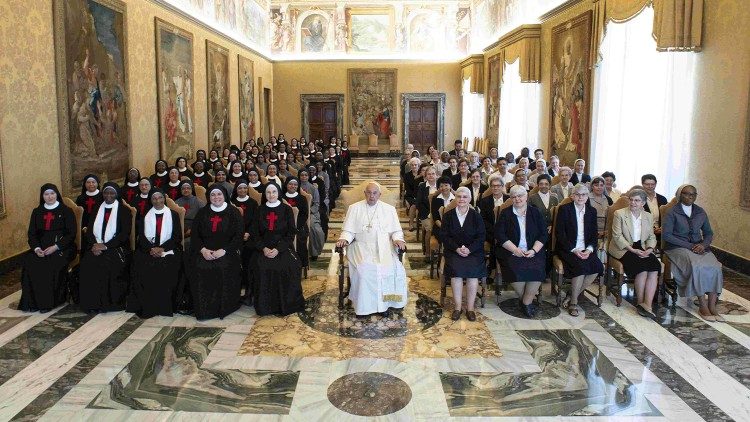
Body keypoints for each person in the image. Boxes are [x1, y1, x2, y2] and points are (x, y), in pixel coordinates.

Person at [335, 182, 407, 316]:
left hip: (385, 248)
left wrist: (398, 239)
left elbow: (396, 231)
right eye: (368, 192)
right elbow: (348, 231)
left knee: (391, 269)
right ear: (365, 194)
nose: (371, 196)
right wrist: (344, 239)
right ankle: (365, 308)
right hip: (361, 247)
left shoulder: (389, 209)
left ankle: (385, 304)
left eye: (374, 193)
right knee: (366, 271)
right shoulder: (354, 208)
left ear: (379, 195)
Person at [663, 184, 724, 322]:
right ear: (680, 195)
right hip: (677, 247)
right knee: (697, 266)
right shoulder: (672, 212)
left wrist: (703, 244)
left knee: (716, 266)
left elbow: (708, 233)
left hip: (700, 247)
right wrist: (690, 246)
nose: (690, 196)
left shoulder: (700, 212)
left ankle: (712, 306)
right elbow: (667, 236)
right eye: (686, 193)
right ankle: (703, 305)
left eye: (693, 194)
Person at [188, 184, 243, 320]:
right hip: (205, 250)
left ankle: (225, 306)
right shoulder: (202, 213)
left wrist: (224, 251)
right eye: (213, 194)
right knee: (200, 267)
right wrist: (203, 250)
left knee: (223, 267)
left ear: (224, 195)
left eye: (219, 194)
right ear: (209, 197)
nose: (216, 197)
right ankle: (204, 308)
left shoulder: (233, 212)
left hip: (227, 251)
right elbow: (195, 236)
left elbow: (238, 236)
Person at [18, 184, 76, 312]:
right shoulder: (37, 211)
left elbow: (71, 234)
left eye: (52, 193)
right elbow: (32, 234)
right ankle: (32, 302)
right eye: (46, 194)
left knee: (50, 264)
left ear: (57, 195)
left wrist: (56, 247)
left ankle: (49, 302)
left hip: (63, 247)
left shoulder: (66, 211)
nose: (49, 197)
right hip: (41, 247)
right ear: (42, 196)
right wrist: (37, 249)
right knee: (30, 262)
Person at [128, 188, 183, 318]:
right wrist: (151, 249)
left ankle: (165, 306)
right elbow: (141, 237)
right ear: (150, 200)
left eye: (160, 198)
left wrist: (162, 248)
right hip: (148, 250)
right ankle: (147, 305)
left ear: (164, 198)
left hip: (169, 249)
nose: (157, 201)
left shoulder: (173, 214)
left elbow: (177, 237)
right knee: (141, 264)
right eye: (154, 198)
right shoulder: (145, 215)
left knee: (167, 266)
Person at [78, 182, 132, 313]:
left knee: (107, 264)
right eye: (106, 193)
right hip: (95, 246)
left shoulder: (124, 210)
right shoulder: (97, 208)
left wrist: (106, 246)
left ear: (117, 194)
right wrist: (94, 245)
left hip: (116, 248)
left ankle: (109, 304)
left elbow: (124, 234)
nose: (108, 195)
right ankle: (91, 303)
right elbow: (89, 230)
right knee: (87, 264)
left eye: (112, 193)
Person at [252, 183, 304, 316]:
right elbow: (255, 234)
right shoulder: (260, 210)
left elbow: (291, 234)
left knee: (287, 267)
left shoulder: (287, 210)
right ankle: (266, 306)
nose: (271, 195)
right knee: (260, 267)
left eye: (274, 192)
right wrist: (263, 248)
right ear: (265, 194)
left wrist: (278, 249)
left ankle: (286, 304)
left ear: (279, 193)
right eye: (268, 192)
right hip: (263, 247)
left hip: (283, 247)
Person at [496, 185, 548, 317]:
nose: (517, 199)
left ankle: (525, 302)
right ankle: (527, 301)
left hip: (533, 251)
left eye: (520, 196)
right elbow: (500, 235)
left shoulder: (535, 212)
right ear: (511, 198)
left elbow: (543, 234)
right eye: (513, 196)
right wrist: (515, 250)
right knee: (515, 269)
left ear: (526, 197)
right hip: (511, 251)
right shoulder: (505, 213)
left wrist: (534, 250)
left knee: (537, 269)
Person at [608, 189, 661, 317]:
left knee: (654, 267)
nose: (633, 203)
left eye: (637, 200)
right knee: (641, 269)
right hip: (624, 247)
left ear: (643, 203)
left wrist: (649, 249)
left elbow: (651, 236)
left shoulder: (647, 215)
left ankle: (647, 305)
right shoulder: (619, 213)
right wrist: (632, 250)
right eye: (631, 200)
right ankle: (640, 302)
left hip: (642, 247)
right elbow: (617, 236)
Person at [555, 183, 603, 316]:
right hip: (568, 248)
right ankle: (573, 303)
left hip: (585, 249)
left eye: (584, 194)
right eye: (577, 194)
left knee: (598, 267)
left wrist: (589, 249)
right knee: (580, 268)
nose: (581, 197)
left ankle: (571, 294)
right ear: (572, 196)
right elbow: (560, 234)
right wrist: (574, 249)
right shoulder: (564, 209)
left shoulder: (592, 211)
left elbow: (594, 234)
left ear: (588, 196)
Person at [442, 187, 486, 321]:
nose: (461, 199)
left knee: (473, 275)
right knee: (457, 274)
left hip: (473, 252)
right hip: (453, 252)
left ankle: (470, 308)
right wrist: (456, 248)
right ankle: (457, 307)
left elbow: (481, 236)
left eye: (465, 197)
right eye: (459, 196)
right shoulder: (448, 215)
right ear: (455, 198)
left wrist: (469, 249)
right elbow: (444, 236)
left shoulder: (476, 216)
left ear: (470, 199)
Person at [231, 180, 259, 305]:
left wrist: (248, 233)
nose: (242, 190)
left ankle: (249, 291)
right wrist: (238, 235)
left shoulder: (253, 203)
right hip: (234, 237)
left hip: (249, 236)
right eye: (239, 188)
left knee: (249, 256)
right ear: (236, 189)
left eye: (244, 188)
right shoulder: (231, 203)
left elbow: (255, 221)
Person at [283, 177, 310, 269]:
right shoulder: (282, 198)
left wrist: (295, 227)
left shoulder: (302, 198)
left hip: (299, 226)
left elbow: (304, 215)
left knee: (300, 240)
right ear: (286, 185)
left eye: (295, 184)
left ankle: (300, 264)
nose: (293, 186)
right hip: (284, 227)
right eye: (290, 184)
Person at [299, 169, 325, 260]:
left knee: (314, 229)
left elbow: (317, 203)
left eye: (306, 175)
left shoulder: (313, 188)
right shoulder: (294, 186)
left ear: (308, 176)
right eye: (302, 175)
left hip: (311, 212)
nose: (304, 177)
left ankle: (314, 252)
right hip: (298, 213)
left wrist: (309, 211)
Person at [175, 179, 204, 249]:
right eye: (183, 188)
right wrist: (184, 230)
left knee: (188, 243)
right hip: (180, 228)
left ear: (192, 189)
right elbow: (174, 219)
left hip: (194, 228)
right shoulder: (176, 203)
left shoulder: (199, 202)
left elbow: (202, 219)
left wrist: (191, 230)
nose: (186, 190)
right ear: (180, 190)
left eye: (188, 188)